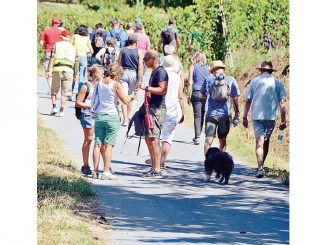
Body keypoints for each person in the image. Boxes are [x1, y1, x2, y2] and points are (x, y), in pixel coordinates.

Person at [242, 61, 287, 178]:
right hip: (271, 117)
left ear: (261, 70)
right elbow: (282, 103)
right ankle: (261, 166)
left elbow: (248, 101)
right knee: (265, 141)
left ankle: (260, 166)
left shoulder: (254, 81)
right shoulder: (278, 83)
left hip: (257, 116)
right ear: (271, 71)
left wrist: (244, 116)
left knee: (259, 142)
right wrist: (283, 120)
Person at [91, 63, 134, 180]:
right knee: (109, 145)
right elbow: (125, 100)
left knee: (97, 144)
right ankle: (106, 171)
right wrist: (131, 97)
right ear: (118, 74)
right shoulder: (116, 84)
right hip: (112, 116)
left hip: (100, 115)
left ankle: (95, 171)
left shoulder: (100, 82)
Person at [138, 50, 168, 177]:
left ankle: (157, 169)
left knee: (154, 139)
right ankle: (153, 167)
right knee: (148, 138)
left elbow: (163, 90)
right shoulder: (154, 72)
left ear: (153, 59)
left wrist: (146, 88)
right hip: (150, 108)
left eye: (145, 59)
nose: (144, 62)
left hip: (157, 109)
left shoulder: (161, 72)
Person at [200, 60, 240, 154]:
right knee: (222, 140)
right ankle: (221, 161)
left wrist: (208, 94)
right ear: (223, 69)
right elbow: (235, 98)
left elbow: (201, 94)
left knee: (208, 140)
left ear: (213, 70)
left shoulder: (208, 79)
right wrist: (237, 113)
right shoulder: (230, 79)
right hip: (224, 115)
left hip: (211, 114)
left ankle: (208, 163)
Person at [75, 64, 104, 175]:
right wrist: (89, 106)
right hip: (87, 115)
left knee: (100, 140)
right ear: (94, 73)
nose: (102, 74)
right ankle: (86, 165)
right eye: (101, 72)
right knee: (89, 139)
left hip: (99, 115)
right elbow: (78, 103)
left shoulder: (101, 85)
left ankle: (105, 166)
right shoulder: (86, 86)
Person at [46, 30, 79, 117]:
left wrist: (49, 70)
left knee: (54, 90)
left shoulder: (57, 45)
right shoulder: (73, 48)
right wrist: (76, 74)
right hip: (69, 71)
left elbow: (52, 58)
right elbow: (76, 62)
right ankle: (61, 110)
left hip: (57, 69)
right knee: (66, 92)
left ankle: (54, 107)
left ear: (61, 37)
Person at [160, 55, 184, 169]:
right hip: (173, 110)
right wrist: (183, 111)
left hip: (160, 108)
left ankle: (156, 160)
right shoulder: (177, 77)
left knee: (156, 136)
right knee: (167, 137)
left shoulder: (161, 75)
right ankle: (162, 161)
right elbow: (180, 96)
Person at [117, 34, 144, 126]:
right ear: (136, 42)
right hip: (133, 74)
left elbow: (118, 64)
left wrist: (117, 76)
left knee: (123, 96)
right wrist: (139, 81)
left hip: (123, 73)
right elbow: (140, 67)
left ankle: (124, 118)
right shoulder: (139, 52)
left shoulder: (123, 50)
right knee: (131, 96)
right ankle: (127, 116)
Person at [187, 52, 210, 145]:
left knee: (197, 115)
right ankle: (199, 135)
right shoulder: (208, 68)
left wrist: (188, 95)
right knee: (203, 114)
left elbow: (189, 82)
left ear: (195, 58)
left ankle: (197, 137)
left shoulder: (192, 67)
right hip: (205, 93)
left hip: (196, 92)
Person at [40, 18, 62, 92]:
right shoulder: (61, 31)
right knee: (57, 70)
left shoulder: (46, 30)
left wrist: (45, 47)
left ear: (51, 23)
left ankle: (51, 89)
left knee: (48, 71)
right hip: (58, 52)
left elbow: (41, 42)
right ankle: (57, 88)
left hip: (48, 51)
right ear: (58, 24)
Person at [71, 25, 94, 93]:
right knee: (82, 76)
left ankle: (70, 91)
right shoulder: (87, 38)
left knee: (74, 74)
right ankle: (79, 92)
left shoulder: (74, 36)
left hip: (74, 56)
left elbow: (70, 46)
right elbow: (92, 51)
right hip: (83, 57)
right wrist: (86, 52)